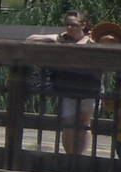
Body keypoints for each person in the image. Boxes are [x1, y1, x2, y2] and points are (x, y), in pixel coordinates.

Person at [26, 10, 100, 157]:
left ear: (83, 25)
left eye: (74, 24)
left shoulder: (92, 41)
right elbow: (31, 38)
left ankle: (80, 156)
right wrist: (56, 38)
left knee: (84, 124)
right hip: (67, 87)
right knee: (68, 124)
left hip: (88, 87)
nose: (70, 28)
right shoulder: (61, 38)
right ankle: (69, 155)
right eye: (67, 24)